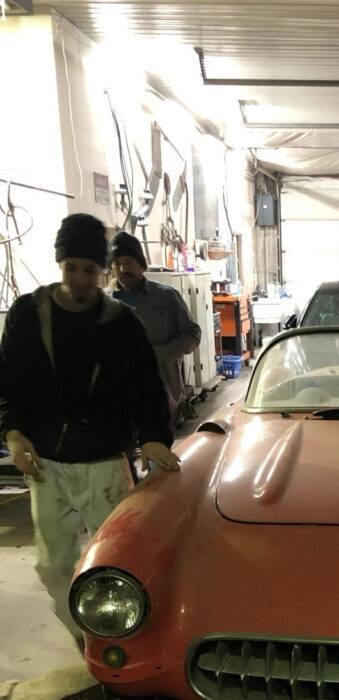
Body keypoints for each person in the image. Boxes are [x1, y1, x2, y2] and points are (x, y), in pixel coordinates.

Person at [0, 212, 179, 635]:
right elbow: (6, 383)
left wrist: (154, 438)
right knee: (53, 567)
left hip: (105, 465)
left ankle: (121, 638)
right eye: (71, 268)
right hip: (46, 466)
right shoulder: (27, 315)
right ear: (59, 264)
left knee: (119, 561)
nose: (80, 280)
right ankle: (88, 641)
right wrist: (12, 432)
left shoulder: (121, 324)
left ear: (103, 270)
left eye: (90, 270)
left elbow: (147, 389)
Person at [108, 231, 202, 428]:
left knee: (159, 445)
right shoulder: (102, 303)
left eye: (128, 262)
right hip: (118, 401)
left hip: (162, 397)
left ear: (141, 265)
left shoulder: (166, 297)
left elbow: (193, 334)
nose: (123, 269)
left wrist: (159, 354)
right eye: (116, 263)